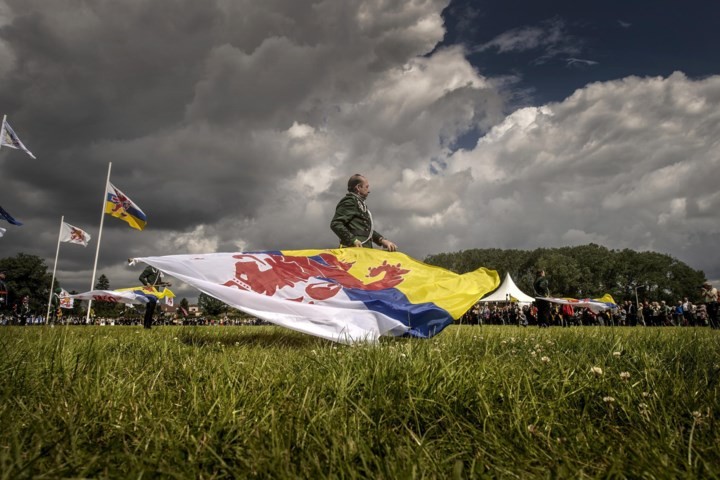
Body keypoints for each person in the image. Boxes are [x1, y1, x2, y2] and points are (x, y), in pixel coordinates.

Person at [330, 174, 397, 251]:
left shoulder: (359, 203)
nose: (369, 191)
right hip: (353, 252)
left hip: (364, 251)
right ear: (358, 187)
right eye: (366, 187)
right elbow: (336, 224)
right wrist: (353, 240)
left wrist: (382, 240)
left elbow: (366, 231)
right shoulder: (349, 202)